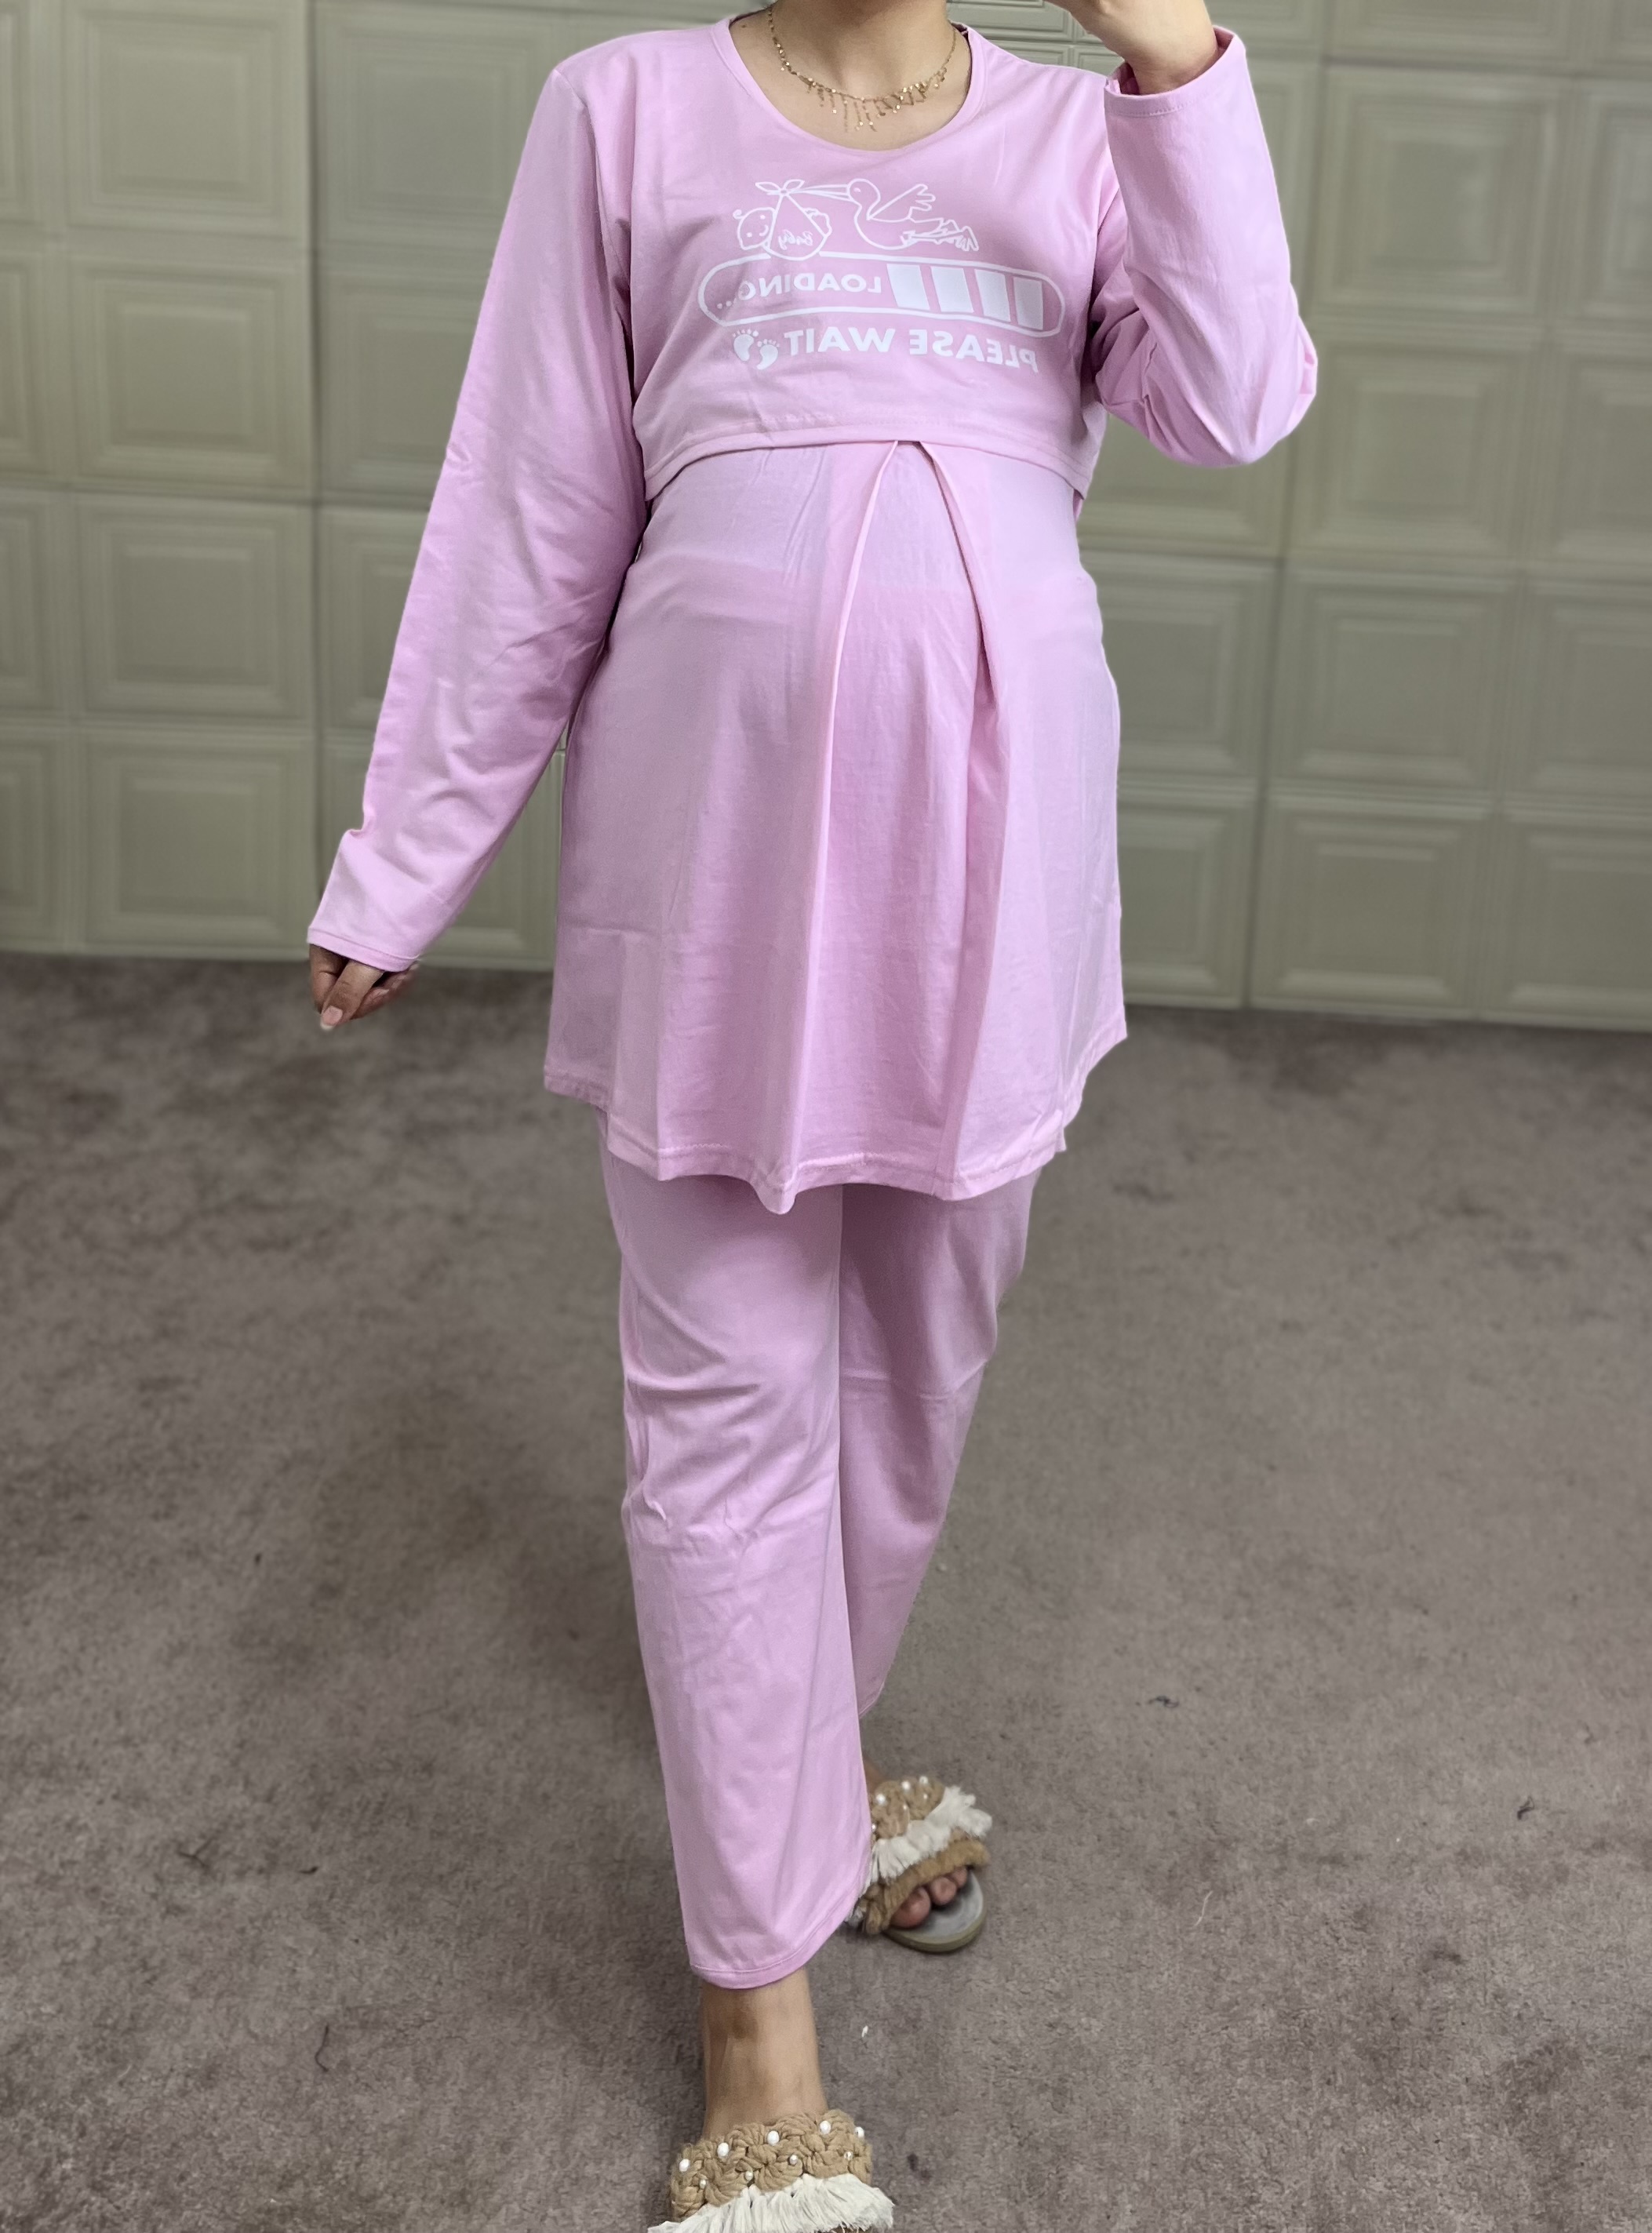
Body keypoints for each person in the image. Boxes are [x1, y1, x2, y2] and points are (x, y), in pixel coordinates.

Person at [304, 2, 1316, 2223]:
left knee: (915, 1377)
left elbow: (1238, 397)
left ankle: (804, 1775)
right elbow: (532, 504)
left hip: (991, 880)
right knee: (725, 1410)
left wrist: (1175, 60)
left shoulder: (1084, 133)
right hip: (719, 858)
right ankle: (753, 2011)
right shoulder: (624, 108)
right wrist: (408, 851)